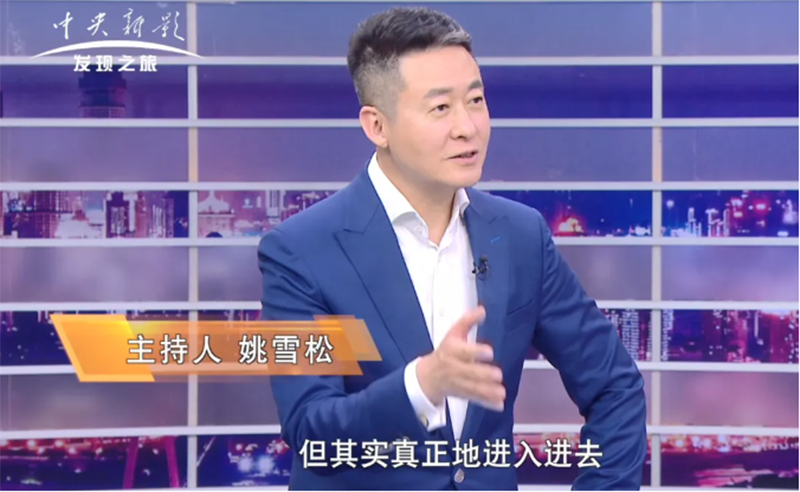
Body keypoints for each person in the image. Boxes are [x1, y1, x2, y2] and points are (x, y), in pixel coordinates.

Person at [258, 6, 647, 490]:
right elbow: (309, 429)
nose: (468, 126)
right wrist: (422, 386)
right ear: (377, 127)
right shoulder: (301, 250)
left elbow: (615, 386)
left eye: (476, 100)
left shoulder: (519, 236)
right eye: (441, 108)